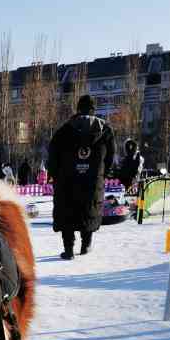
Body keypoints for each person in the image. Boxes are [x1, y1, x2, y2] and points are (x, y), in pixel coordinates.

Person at [48, 94, 115, 259]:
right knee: (89, 209)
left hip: (67, 181)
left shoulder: (64, 130)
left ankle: (69, 249)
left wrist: (55, 175)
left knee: (67, 211)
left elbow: (53, 154)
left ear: (78, 108)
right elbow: (111, 156)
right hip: (93, 180)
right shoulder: (105, 130)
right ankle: (86, 245)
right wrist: (102, 174)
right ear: (93, 110)